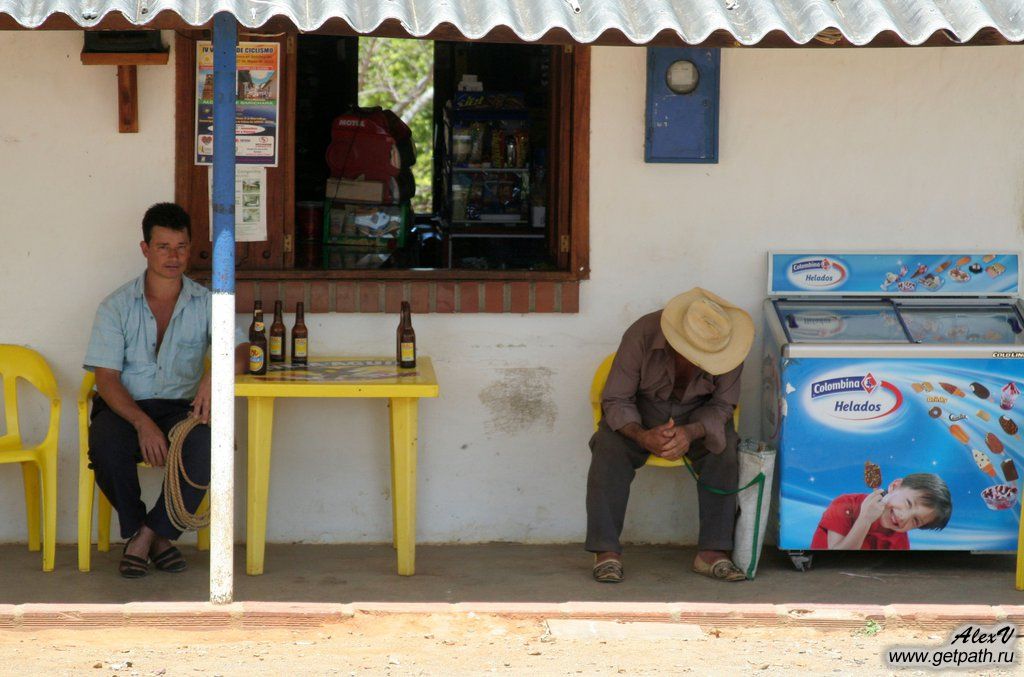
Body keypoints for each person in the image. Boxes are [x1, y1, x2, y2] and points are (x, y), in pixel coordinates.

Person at [84, 202, 248, 578]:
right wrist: (142, 423)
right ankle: (153, 536)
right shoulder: (115, 306)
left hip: (181, 409)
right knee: (107, 444)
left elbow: (240, 350)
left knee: (210, 445)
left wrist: (213, 375)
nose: (173, 257)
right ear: (145, 249)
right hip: (126, 408)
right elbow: (106, 379)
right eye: (163, 247)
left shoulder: (208, 302)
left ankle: (147, 537)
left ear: (190, 249)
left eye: (181, 247)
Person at [586, 288, 754, 583]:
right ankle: (606, 552)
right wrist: (641, 435)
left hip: (698, 417)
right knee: (608, 445)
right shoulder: (642, 332)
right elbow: (615, 399)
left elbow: (723, 404)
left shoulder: (729, 347)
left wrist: (691, 431)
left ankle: (712, 552)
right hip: (642, 413)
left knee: (724, 449)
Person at [810, 474, 952, 550]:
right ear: (895, 486)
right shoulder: (846, 504)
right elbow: (837, 559)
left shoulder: (899, 542)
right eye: (908, 503)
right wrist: (864, 520)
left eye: (915, 520)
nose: (904, 517)